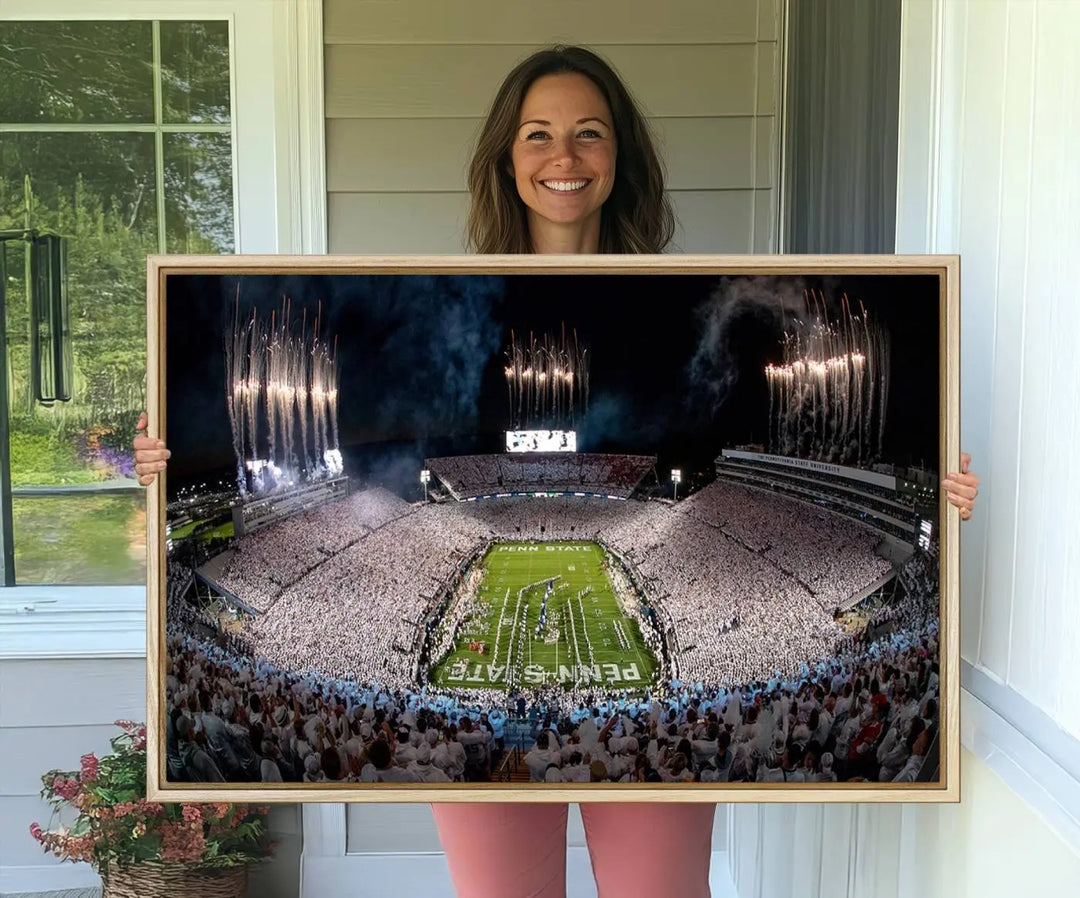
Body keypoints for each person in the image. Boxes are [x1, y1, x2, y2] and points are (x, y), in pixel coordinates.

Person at [135, 43, 981, 898]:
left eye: (589, 133)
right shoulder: (447, 282)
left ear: (620, 158)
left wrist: (935, 499)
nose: (563, 157)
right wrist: (161, 467)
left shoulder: (685, 289)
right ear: (507, 157)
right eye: (537, 134)